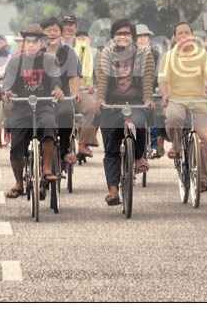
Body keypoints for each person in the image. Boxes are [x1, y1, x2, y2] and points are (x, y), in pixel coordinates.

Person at [95, 18, 156, 206]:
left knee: (138, 124)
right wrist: (101, 99)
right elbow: (103, 79)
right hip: (112, 103)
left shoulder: (144, 54)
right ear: (113, 36)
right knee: (111, 145)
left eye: (127, 33)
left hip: (136, 102)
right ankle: (113, 190)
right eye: (119, 33)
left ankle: (138, 156)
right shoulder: (107, 53)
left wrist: (148, 99)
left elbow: (147, 79)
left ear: (133, 36)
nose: (123, 37)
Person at [1, 23, 64, 198]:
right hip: (21, 107)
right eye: (27, 41)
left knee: (49, 126)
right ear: (24, 43)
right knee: (16, 146)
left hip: (44, 105)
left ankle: (46, 168)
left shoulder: (50, 60)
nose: (30, 45)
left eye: (34, 42)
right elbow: (7, 83)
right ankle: (19, 182)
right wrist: (7, 92)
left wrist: (57, 89)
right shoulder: (15, 62)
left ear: (42, 43)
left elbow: (56, 79)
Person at [158, 21, 207, 191]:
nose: (184, 36)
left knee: (204, 138)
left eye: (187, 32)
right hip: (177, 100)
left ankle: (203, 178)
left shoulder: (203, 56)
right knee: (173, 118)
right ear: (175, 38)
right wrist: (165, 95)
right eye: (180, 33)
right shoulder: (168, 57)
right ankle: (176, 146)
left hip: (199, 101)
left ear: (192, 36)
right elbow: (163, 80)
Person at [42, 16, 82, 165]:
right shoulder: (36, 51)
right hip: (40, 94)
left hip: (62, 93)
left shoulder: (68, 52)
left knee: (66, 113)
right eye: (48, 30)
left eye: (55, 30)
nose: (52, 33)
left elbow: (74, 74)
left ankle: (64, 149)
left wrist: (76, 92)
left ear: (61, 33)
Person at [61, 15, 99, 158]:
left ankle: (83, 143)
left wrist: (88, 84)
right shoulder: (54, 46)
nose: (68, 27)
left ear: (75, 28)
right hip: (60, 91)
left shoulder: (83, 46)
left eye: (71, 25)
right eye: (65, 24)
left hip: (79, 90)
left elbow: (87, 67)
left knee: (93, 108)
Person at [137, 23, 165, 157]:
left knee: (156, 114)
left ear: (149, 38)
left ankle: (155, 144)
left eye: (145, 36)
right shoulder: (130, 54)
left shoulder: (156, 54)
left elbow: (159, 74)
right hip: (134, 93)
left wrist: (157, 88)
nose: (142, 39)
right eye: (139, 36)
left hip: (153, 90)